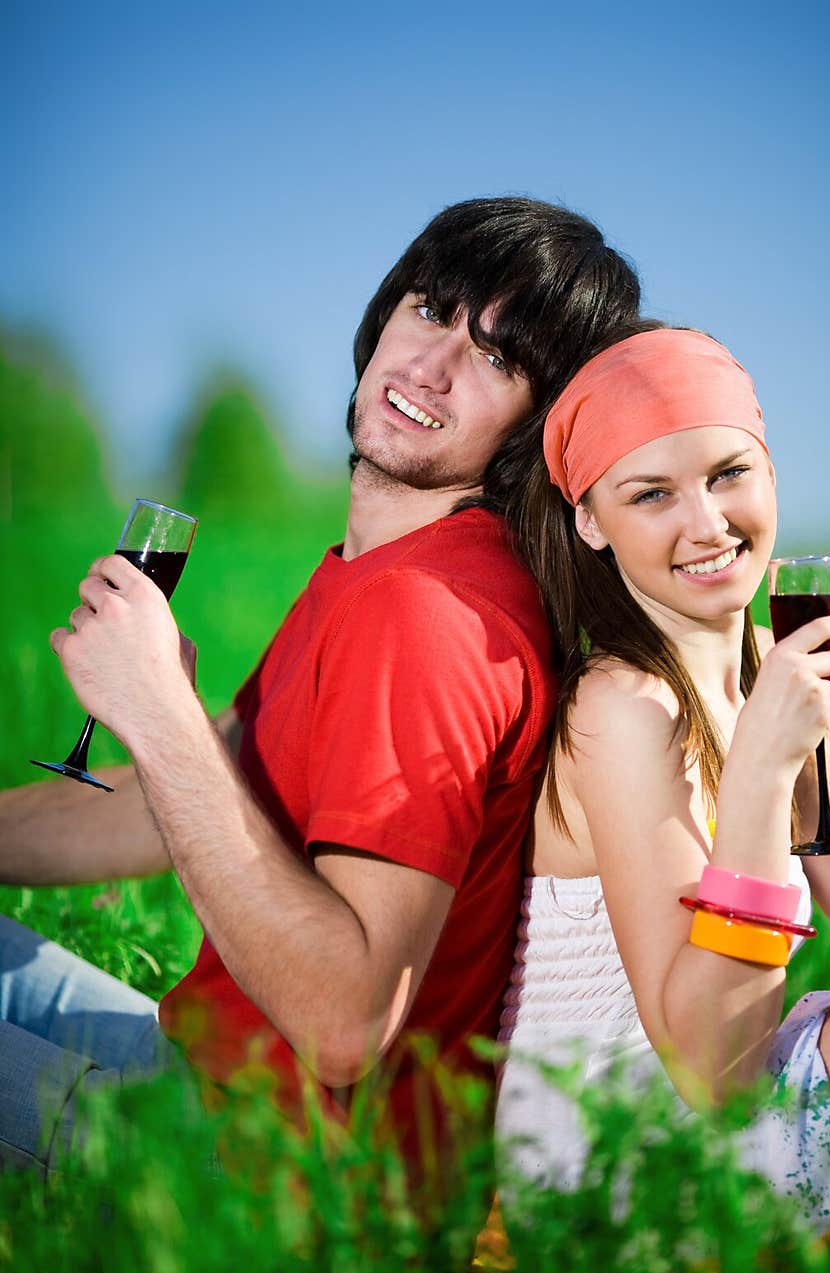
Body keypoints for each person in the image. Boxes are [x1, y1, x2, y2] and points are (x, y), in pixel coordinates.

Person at [0, 196, 642, 1201]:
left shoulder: (427, 616)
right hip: (203, 1085)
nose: (430, 368)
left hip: (260, 1188)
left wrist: (157, 708)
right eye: (431, 310)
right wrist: (173, 735)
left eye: (497, 359)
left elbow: (348, 1020)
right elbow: (188, 795)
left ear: (538, 425)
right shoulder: (376, 569)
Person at [496, 322, 830, 1232]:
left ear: (771, 472)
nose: (706, 524)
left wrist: (797, 749)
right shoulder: (622, 707)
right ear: (590, 521)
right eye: (652, 494)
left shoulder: (763, 664)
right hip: (622, 1168)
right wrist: (757, 774)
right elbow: (712, 1072)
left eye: (728, 475)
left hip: (725, 1118)